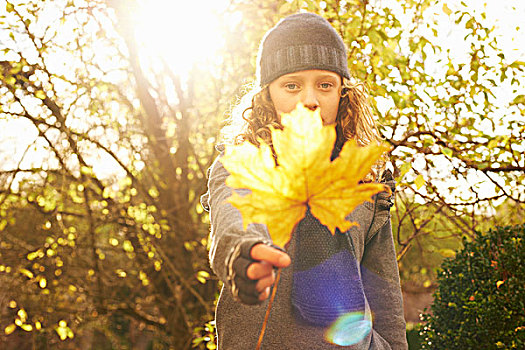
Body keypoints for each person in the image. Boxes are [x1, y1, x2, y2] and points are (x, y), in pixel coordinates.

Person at [201, 12, 408, 349]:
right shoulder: (246, 163)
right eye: (292, 85)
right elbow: (232, 220)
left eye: (324, 84)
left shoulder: (365, 180)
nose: (309, 99)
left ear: (343, 93)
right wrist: (245, 256)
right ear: (268, 94)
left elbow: (384, 294)